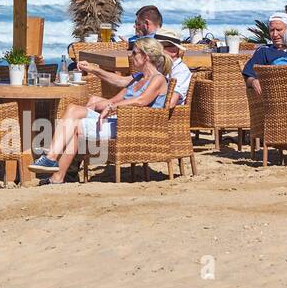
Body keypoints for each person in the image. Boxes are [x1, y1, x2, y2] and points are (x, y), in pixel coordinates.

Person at [30, 37, 170, 183]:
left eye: (134, 53)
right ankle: (50, 159)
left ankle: (56, 175)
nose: (130, 55)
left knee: (76, 127)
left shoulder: (158, 79)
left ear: (145, 57)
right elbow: (116, 82)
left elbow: (142, 101)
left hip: (132, 127)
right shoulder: (139, 77)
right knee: (73, 110)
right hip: (120, 121)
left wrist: (113, 107)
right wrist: (93, 70)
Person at [242, 12, 287, 94]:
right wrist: (253, 81)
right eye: (272, 30)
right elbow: (248, 78)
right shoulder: (264, 51)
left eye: (279, 30)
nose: (275, 34)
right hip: (272, 97)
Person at [153, 30, 192, 105]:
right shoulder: (158, 66)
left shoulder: (181, 71)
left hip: (169, 114)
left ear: (174, 50)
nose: (153, 51)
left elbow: (171, 102)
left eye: (158, 47)